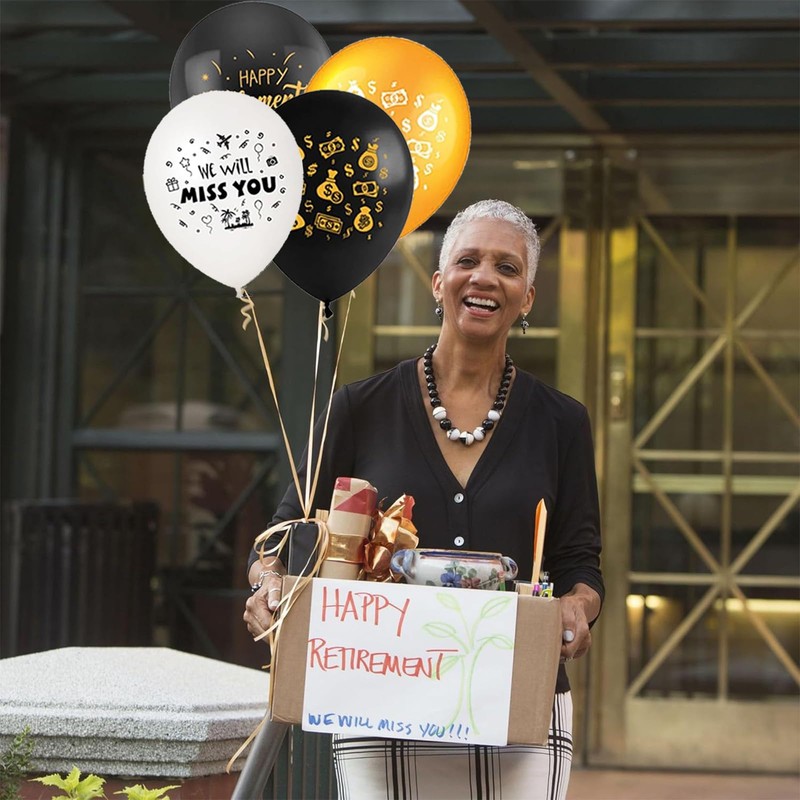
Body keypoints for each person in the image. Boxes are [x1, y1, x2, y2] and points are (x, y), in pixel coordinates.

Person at [244, 199, 603, 800]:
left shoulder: (562, 422)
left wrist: (576, 609)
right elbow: (287, 533)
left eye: (508, 268)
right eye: (468, 260)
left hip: (517, 698)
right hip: (382, 694)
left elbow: (580, 562)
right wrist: (267, 585)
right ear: (439, 283)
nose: (485, 277)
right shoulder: (361, 407)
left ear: (528, 297)